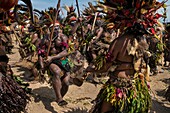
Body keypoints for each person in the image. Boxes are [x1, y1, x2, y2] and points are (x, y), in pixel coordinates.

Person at [45, 22, 71, 106]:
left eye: (57, 27)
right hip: (51, 60)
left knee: (66, 82)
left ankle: (60, 97)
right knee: (56, 72)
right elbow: (40, 51)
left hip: (62, 60)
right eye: (53, 28)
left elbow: (66, 51)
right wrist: (43, 63)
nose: (55, 29)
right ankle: (59, 98)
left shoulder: (63, 37)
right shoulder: (46, 38)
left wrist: (53, 57)